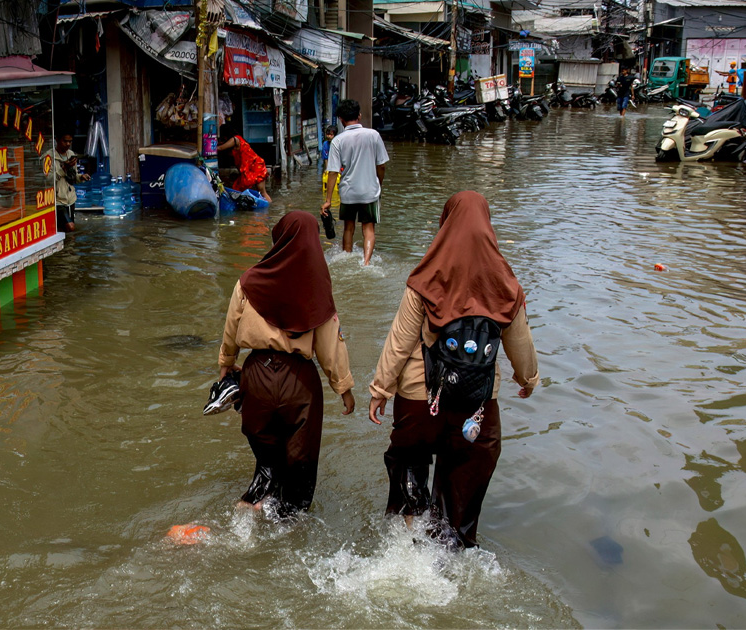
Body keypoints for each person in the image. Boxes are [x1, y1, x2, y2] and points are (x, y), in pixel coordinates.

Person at [368, 191, 539, 550]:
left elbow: (399, 342)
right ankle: (449, 552)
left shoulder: (426, 278)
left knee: (410, 466)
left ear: (445, 226)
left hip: (420, 400)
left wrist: (380, 389)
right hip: (475, 409)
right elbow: (520, 344)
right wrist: (528, 379)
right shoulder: (507, 287)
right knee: (460, 492)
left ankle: (404, 547)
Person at [218, 211, 356, 517]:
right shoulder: (316, 287)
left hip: (256, 378)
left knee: (267, 462)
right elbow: (331, 344)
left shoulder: (249, 281)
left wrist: (226, 364)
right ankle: (290, 524)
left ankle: (247, 510)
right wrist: (344, 388)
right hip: (299, 383)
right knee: (299, 466)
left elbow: (231, 328)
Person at [321, 99, 389, 266]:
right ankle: (366, 263)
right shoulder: (373, 135)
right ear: (359, 115)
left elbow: (333, 172)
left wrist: (328, 200)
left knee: (348, 228)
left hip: (348, 191)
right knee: (368, 229)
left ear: (341, 119)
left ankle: (346, 257)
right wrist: (379, 184)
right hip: (369, 191)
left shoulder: (337, 141)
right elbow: (381, 165)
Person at [44, 133, 89, 233]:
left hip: (70, 198)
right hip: (57, 200)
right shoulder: (49, 157)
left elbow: (73, 176)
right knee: (70, 227)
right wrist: (63, 168)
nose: (68, 144)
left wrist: (81, 177)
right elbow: (48, 180)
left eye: (70, 141)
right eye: (65, 141)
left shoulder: (71, 154)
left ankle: (68, 248)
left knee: (66, 230)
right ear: (57, 140)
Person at [218, 133, 271, 202]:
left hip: (255, 166)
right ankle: (267, 209)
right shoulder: (238, 143)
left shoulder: (235, 140)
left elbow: (220, 148)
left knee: (239, 190)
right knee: (262, 192)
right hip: (255, 166)